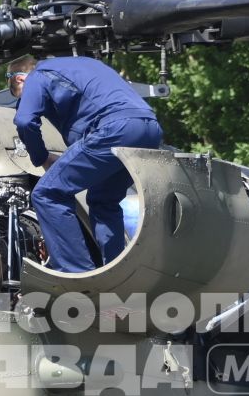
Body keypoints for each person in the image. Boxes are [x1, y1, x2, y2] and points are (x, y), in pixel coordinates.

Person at [9, 55, 164, 272]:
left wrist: (41, 158)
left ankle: (76, 276)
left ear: (19, 80)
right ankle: (116, 273)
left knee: (47, 194)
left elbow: (25, 121)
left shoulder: (37, 75)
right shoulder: (85, 64)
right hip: (149, 129)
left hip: (114, 129)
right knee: (103, 202)